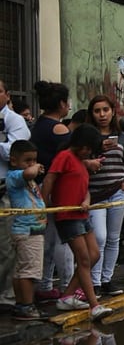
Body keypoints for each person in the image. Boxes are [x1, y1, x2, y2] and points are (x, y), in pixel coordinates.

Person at [40, 124, 113, 320]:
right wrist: (42, 208)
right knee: (83, 259)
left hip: (81, 214)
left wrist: (86, 201)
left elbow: (85, 188)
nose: (88, 152)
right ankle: (94, 305)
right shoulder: (64, 157)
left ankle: (67, 296)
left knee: (94, 255)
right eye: (87, 148)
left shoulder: (81, 162)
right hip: (67, 216)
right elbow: (49, 180)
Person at [85, 95, 124, 297]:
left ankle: (107, 279)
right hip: (95, 194)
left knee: (114, 238)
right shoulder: (88, 137)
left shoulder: (122, 137)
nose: (102, 114)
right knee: (99, 237)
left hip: (118, 192)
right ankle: (94, 282)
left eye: (105, 110)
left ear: (112, 111)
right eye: (97, 111)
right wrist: (98, 147)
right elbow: (81, 160)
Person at [31, 80, 77, 302]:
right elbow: (72, 157)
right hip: (56, 188)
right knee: (63, 239)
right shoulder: (59, 129)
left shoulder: (39, 125)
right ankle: (67, 286)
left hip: (40, 188)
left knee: (48, 239)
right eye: (66, 102)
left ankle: (45, 284)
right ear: (61, 104)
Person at [6, 140, 47, 320]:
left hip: (32, 231)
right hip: (27, 231)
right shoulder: (14, 176)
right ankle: (26, 306)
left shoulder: (27, 180)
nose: (32, 164)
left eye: (35, 160)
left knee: (22, 270)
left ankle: (22, 304)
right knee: (28, 272)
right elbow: (29, 172)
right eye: (27, 160)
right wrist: (35, 168)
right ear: (14, 161)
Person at [0, 79, 32, 307]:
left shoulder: (14, 120)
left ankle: (6, 296)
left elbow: (14, 151)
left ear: (6, 94)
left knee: (5, 247)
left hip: (4, 190)